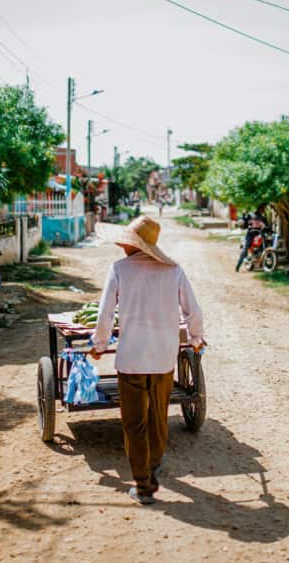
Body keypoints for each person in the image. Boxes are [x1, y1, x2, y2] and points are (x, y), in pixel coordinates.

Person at [90, 216, 205, 505]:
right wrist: (196, 337)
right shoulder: (173, 270)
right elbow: (193, 310)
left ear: (132, 244)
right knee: (157, 417)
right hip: (164, 357)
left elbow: (105, 313)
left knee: (134, 423)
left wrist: (99, 345)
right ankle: (152, 464)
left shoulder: (119, 269)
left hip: (131, 358)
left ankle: (143, 486)